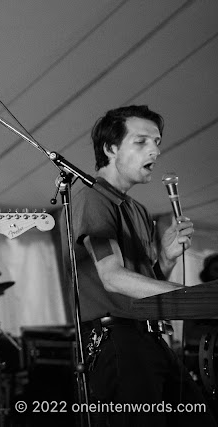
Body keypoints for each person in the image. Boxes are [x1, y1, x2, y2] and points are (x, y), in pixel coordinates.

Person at [63, 105, 216, 426]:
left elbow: (147, 283)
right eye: (141, 141)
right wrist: (193, 297)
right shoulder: (94, 198)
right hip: (119, 341)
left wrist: (167, 257)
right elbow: (113, 278)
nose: (155, 150)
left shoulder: (138, 210)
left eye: (157, 142)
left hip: (149, 338)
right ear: (110, 148)